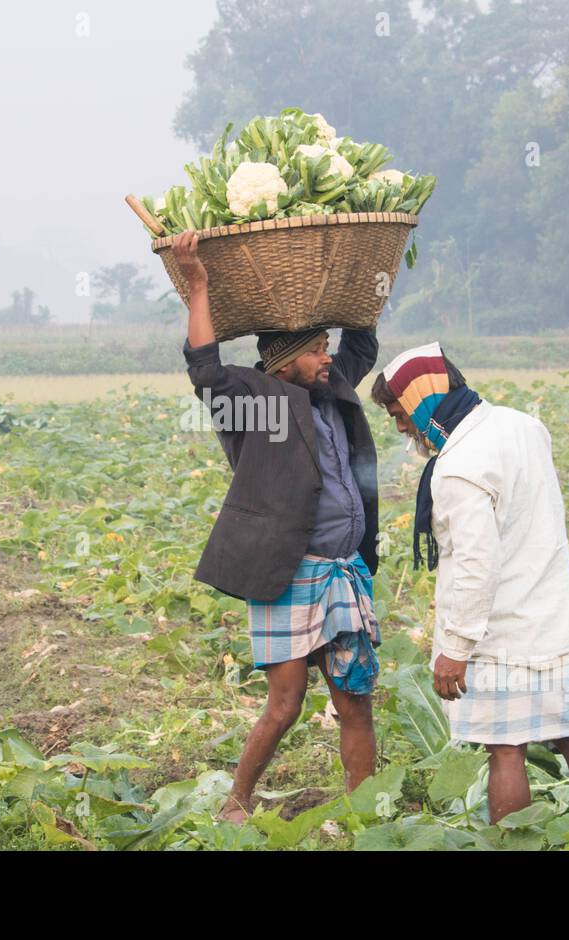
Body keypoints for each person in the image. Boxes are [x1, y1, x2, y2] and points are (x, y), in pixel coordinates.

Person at [173, 230, 382, 824]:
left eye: (326, 349)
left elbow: (362, 342)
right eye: (316, 350)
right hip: (286, 573)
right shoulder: (253, 399)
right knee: (286, 704)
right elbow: (205, 370)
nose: (327, 360)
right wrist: (199, 284)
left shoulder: (331, 388)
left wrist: (355, 266)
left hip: (344, 571)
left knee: (356, 701)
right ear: (285, 360)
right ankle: (236, 803)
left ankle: (363, 812)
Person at [370, 342, 569, 823]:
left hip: (499, 632)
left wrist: (456, 647)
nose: (400, 427)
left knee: (505, 751)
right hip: (551, 617)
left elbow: (476, 564)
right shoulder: (522, 425)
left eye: (400, 413)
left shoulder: (459, 465)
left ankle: (511, 843)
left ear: (424, 401)